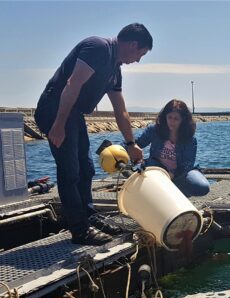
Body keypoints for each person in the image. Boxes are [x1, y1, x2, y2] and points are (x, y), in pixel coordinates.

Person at [34, 23, 153, 245]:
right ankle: (80, 231)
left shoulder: (114, 69)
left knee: (86, 168)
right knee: (70, 171)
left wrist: (131, 143)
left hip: (73, 113)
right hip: (55, 108)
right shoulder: (98, 48)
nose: (138, 60)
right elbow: (72, 84)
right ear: (133, 44)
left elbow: (120, 109)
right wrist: (58, 124)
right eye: (141, 54)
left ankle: (89, 217)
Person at [136, 99, 210, 197]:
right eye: (169, 117)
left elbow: (188, 163)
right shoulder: (154, 130)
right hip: (157, 168)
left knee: (202, 187)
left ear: (183, 120)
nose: (172, 121)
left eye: (176, 119)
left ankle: (178, 190)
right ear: (165, 116)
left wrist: (172, 175)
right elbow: (136, 143)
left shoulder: (190, 139)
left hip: (180, 173)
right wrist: (120, 149)